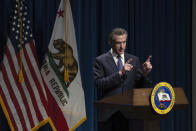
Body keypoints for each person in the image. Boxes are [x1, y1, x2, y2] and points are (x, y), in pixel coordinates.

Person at [93, 28, 152, 131]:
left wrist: (145, 74)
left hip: (130, 115)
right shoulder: (100, 60)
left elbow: (140, 87)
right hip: (109, 115)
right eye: (118, 43)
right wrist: (120, 73)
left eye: (124, 42)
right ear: (110, 43)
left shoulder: (134, 60)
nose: (122, 46)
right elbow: (99, 83)